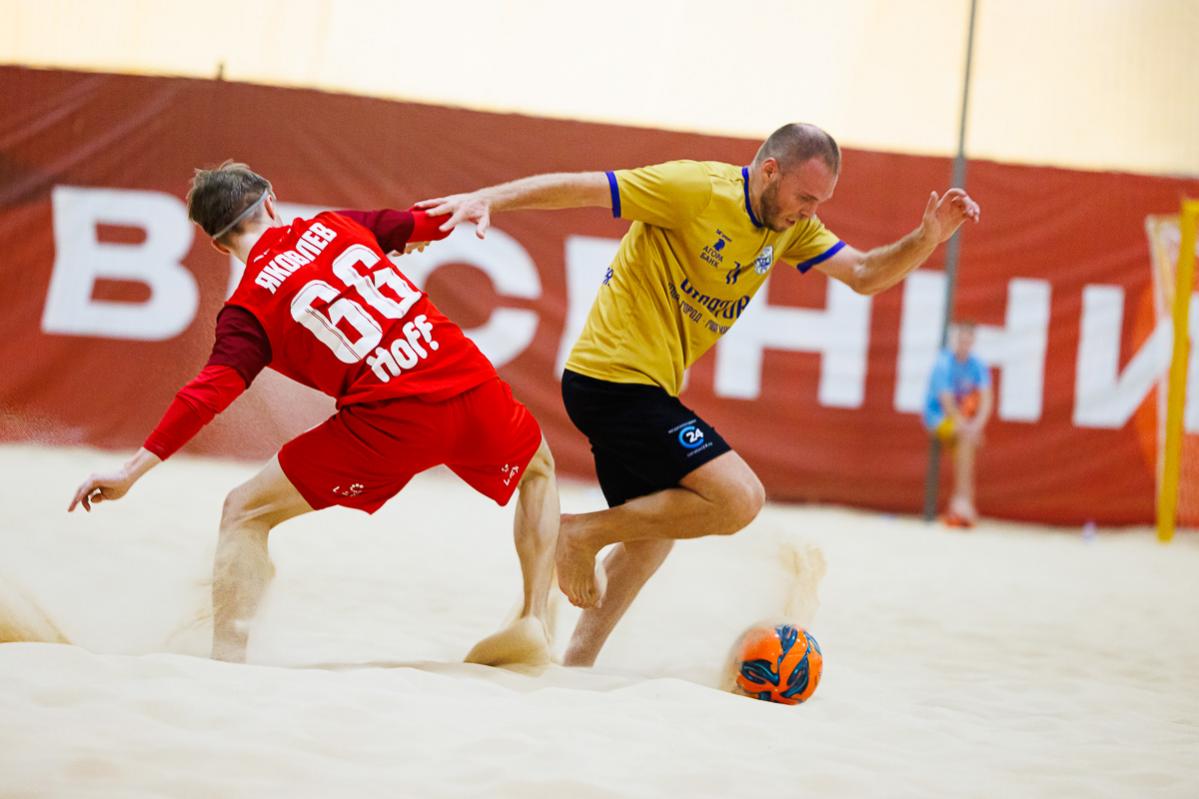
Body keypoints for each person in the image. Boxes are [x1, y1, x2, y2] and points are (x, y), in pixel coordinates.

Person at [419, 122, 982, 666]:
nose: (811, 212)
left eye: (820, 202)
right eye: (805, 197)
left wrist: (926, 240)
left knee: (654, 533)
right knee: (740, 498)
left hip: (641, 387)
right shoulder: (695, 188)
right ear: (769, 171)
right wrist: (490, 198)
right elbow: (583, 187)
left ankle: (577, 664)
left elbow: (863, 274)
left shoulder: (790, 227)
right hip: (612, 378)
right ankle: (579, 533)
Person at [68, 161, 569, 665]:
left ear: (219, 245)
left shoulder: (246, 309)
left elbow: (205, 396)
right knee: (539, 469)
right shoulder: (335, 225)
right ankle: (533, 618)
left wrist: (132, 471)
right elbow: (422, 224)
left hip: (386, 426)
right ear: (270, 202)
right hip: (465, 382)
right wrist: (471, 206)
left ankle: (227, 659)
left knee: (244, 512)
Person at [922, 321, 993, 527]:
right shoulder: (943, 364)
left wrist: (977, 425)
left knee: (966, 440)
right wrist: (968, 428)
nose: (964, 344)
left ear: (973, 342)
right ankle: (963, 501)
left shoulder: (977, 365)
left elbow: (987, 399)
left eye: (968, 341)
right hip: (937, 418)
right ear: (955, 341)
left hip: (963, 423)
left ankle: (962, 502)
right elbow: (947, 404)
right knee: (965, 438)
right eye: (961, 340)